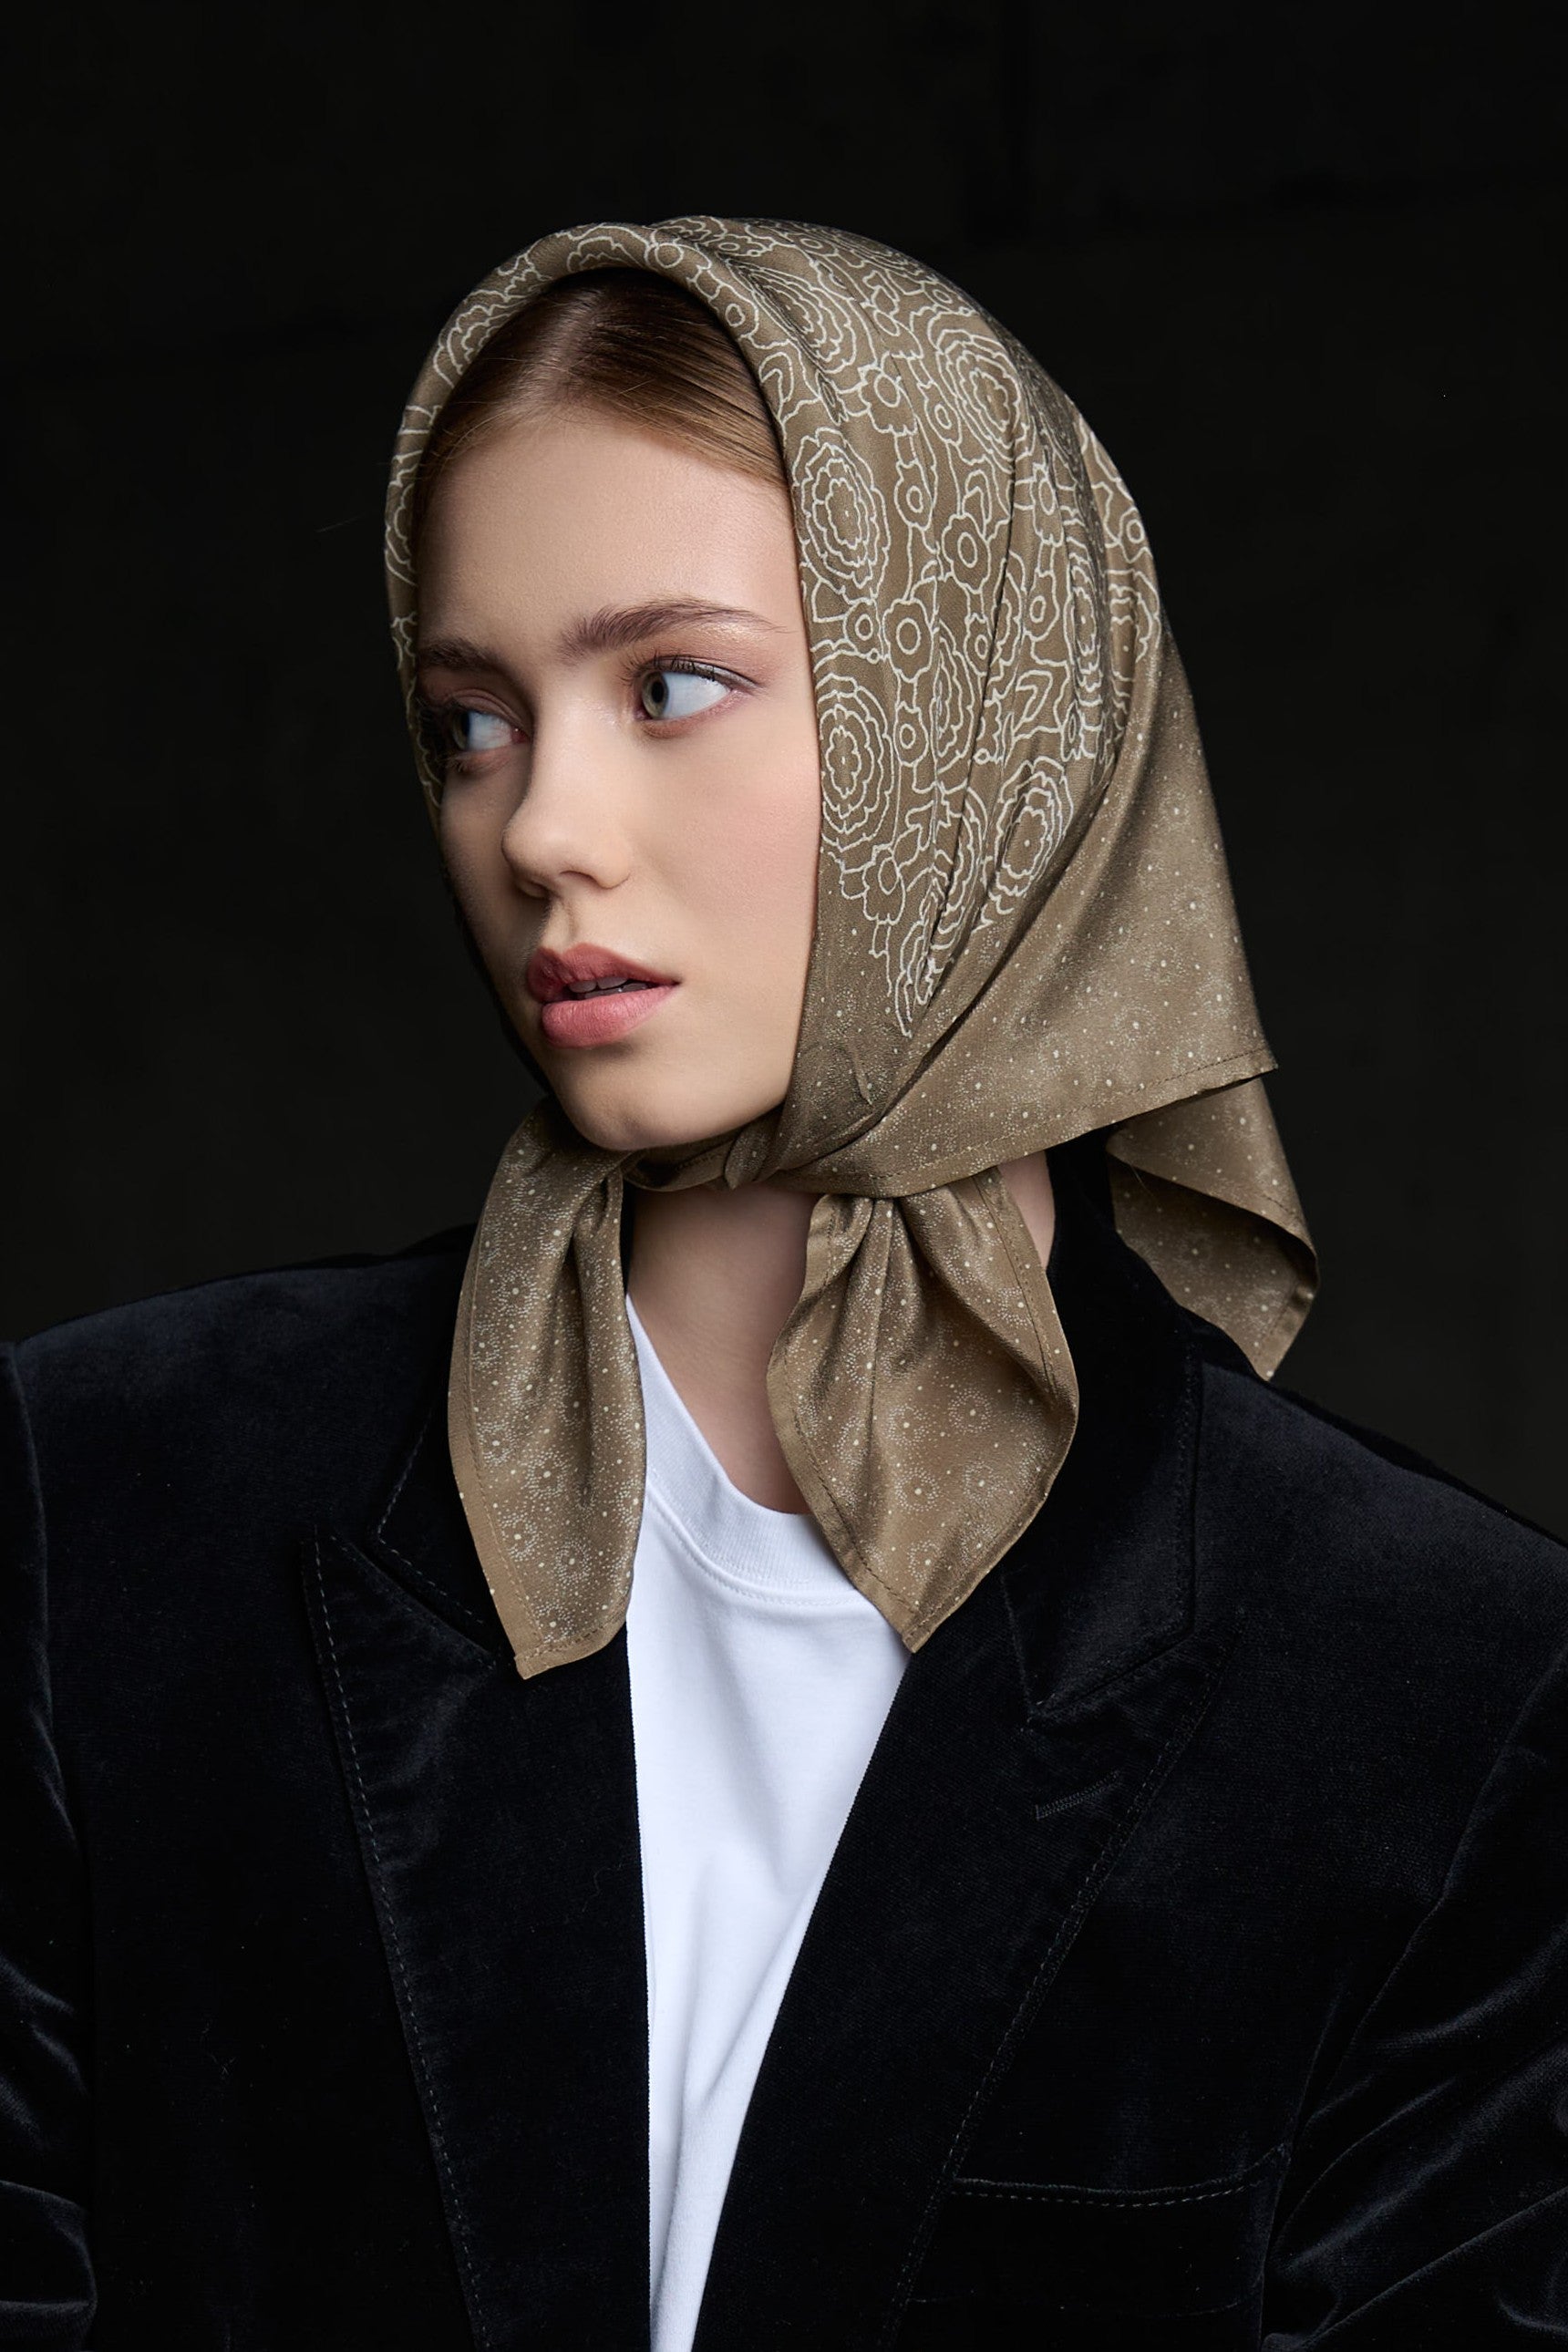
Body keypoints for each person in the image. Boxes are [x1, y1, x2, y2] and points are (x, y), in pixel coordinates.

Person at [2, 217, 1563, 2350]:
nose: (541, 824)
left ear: (979, 727)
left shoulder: (1439, 1690)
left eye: (669, 684)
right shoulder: (99, 1505)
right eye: (469, 720)